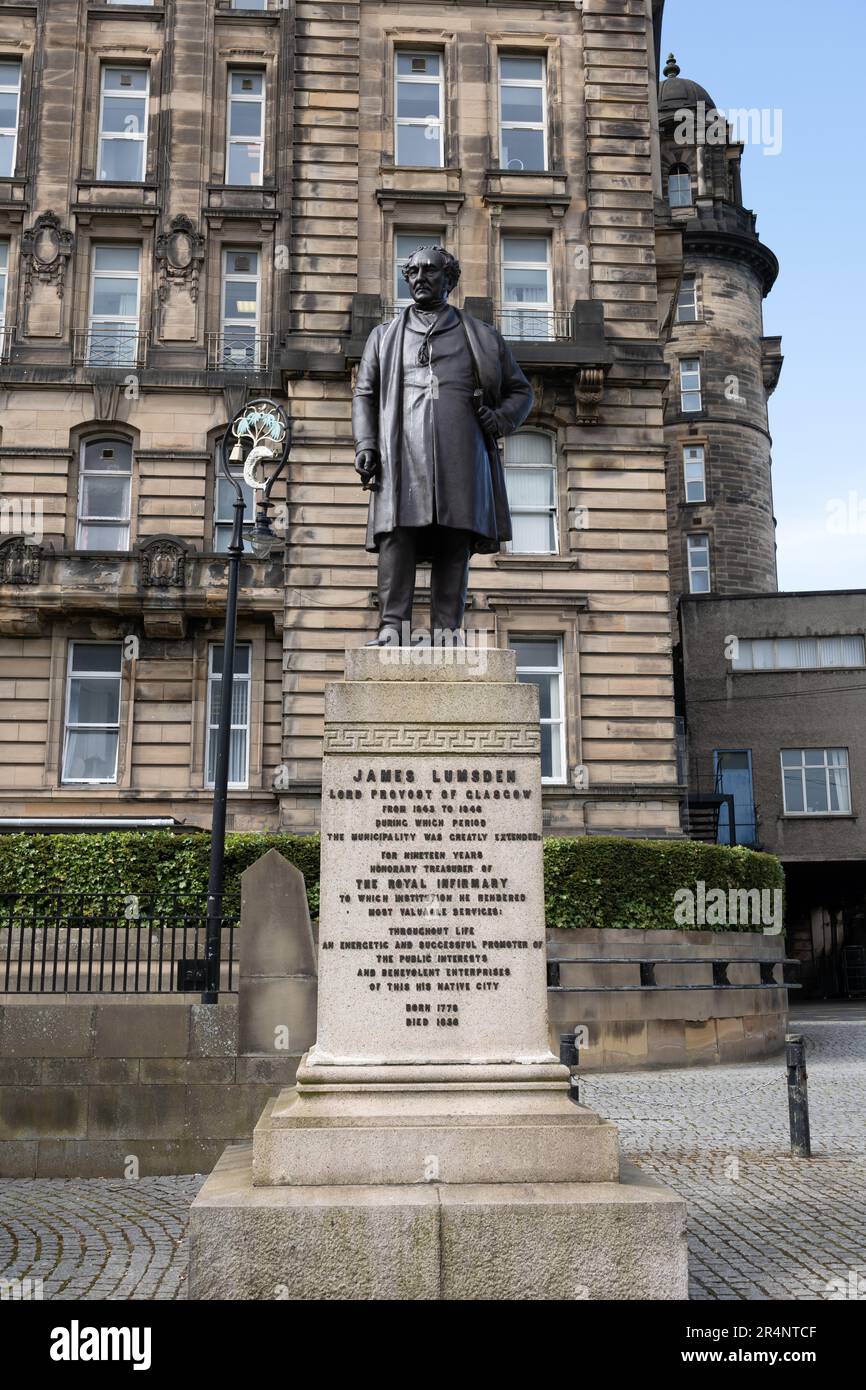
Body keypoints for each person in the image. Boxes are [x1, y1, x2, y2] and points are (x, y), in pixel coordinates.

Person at [352, 245, 534, 645]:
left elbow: (522, 392)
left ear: (449, 280)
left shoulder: (482, 337)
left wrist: (501, 418)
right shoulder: (383, 338)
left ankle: (447, 631)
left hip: (462, 453)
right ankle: (392, 628)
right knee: (397, 536)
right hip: (401, 452)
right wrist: (366, 443)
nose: (420, 277)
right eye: (413, 271)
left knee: (455, 537)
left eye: (430, 271)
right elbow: (364, 393)